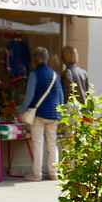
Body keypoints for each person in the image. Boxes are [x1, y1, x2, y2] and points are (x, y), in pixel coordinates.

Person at [21, 48, 64, 180]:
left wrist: (22, 111)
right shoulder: (55, 75)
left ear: (35, 60)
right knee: (52, 144)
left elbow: (29, 96)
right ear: (47, 59)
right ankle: (53, 172)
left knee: (38, 143)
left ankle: (37, 173)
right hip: (54, 114)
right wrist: (61, 114)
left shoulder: (35, 74)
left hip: (39, 115)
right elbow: (61, 96)